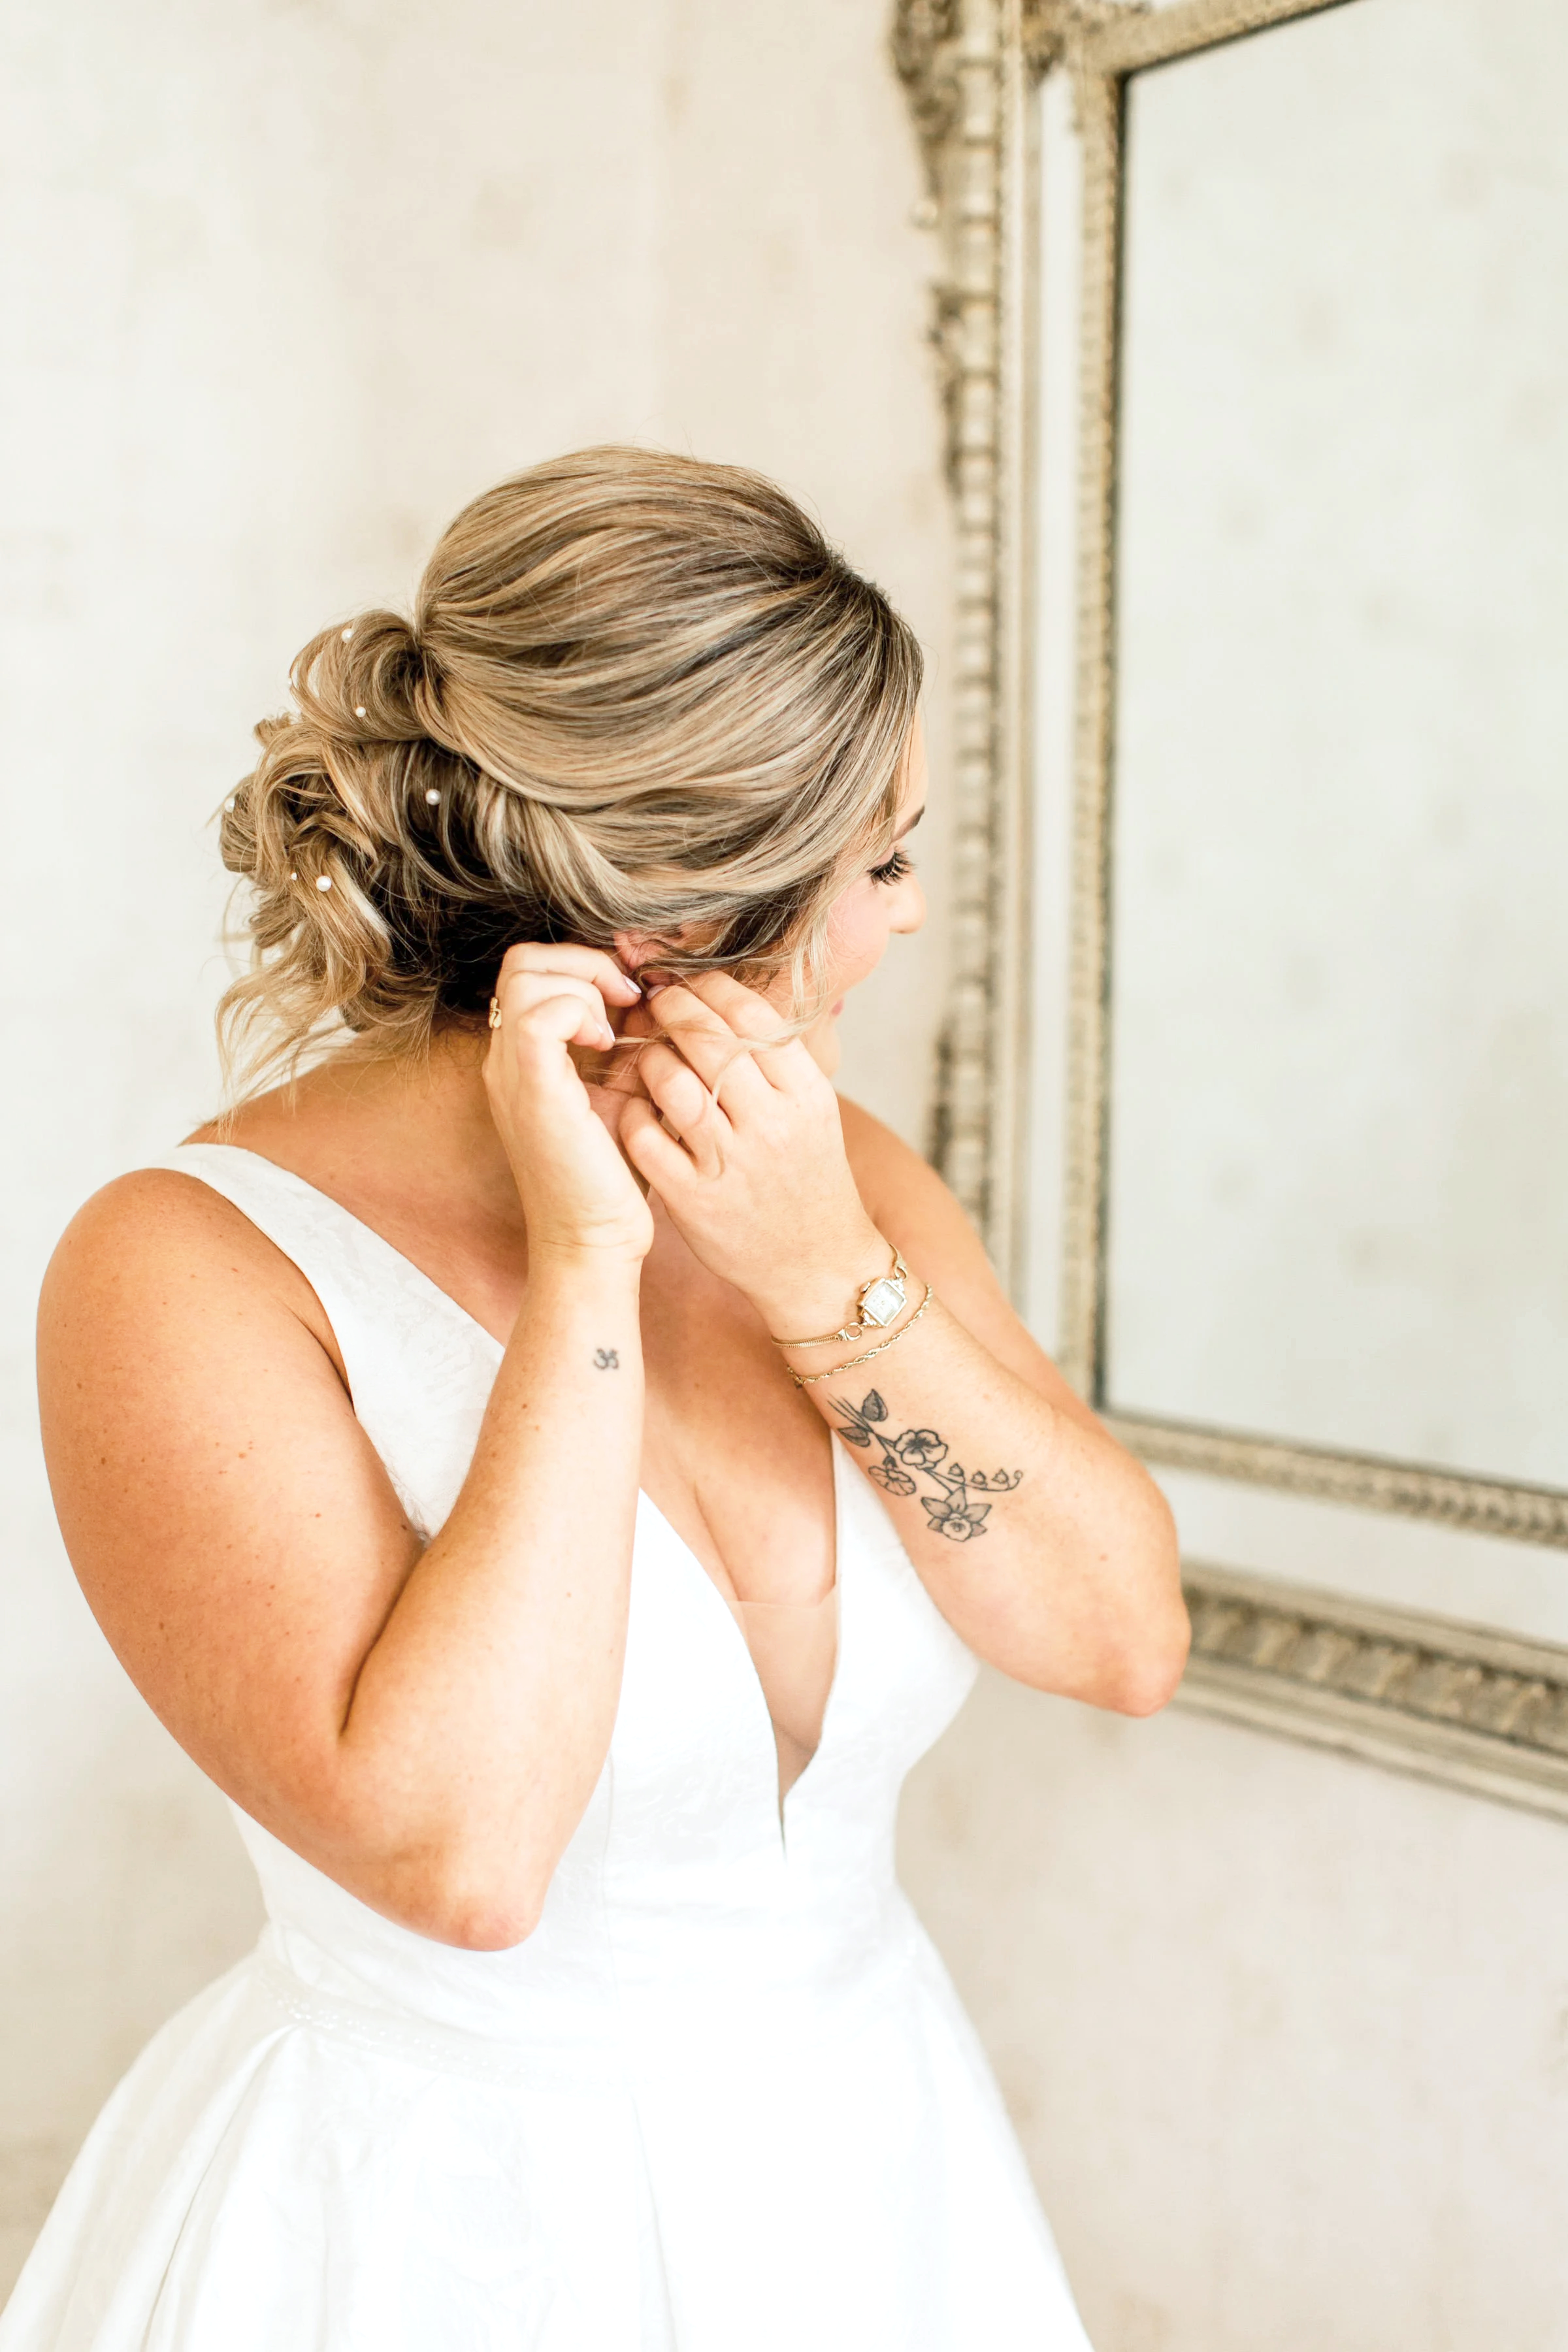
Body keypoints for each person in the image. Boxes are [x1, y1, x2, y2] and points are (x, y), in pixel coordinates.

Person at [5, 449, 1187, 2352]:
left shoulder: (841, 1172)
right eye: (876, 863)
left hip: (879, 2191)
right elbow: (467, 1863)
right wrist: (584, 1274)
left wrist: (824, 1276)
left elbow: (1123, 1638)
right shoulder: (185, 1268)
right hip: (427, 2234)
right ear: (680, 928)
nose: (900, 919)